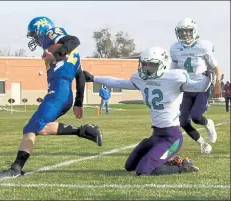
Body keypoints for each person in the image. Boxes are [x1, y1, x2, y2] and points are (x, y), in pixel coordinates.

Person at [0, 16, 102, 179]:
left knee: (30, 128)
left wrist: (58, 53)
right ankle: (83, 131)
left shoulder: (54, 34)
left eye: (35, 34)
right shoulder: (73, 56)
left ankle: (15, 169)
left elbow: (73, 40)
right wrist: (78, 103)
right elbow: (81, 77)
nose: (35, 39)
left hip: (58, 92)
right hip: (65, 94)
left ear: (41, 29)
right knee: (38, 127)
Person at [83, 47, 215, 176]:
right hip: (156, 135)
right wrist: (94, 78)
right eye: (144, 64)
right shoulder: (142, 79)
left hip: (172, 137)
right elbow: (118, 82)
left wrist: (208, 78)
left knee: (143, 170)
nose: (146, 68)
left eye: (151, 64)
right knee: (130, 166)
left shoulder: (175, 78)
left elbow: (199, 87)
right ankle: (167, 161)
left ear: (163, 64)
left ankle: (183, 167)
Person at [170, 18, 222, 154]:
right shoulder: (175, 48)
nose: (185, 34)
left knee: (196, 117)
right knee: (183, 122)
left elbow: (216, 67)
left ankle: (208, 124)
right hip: (186, 88)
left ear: (194, 30)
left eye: (187, 30)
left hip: (201, 86)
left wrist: (217, 85)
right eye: (182, 31)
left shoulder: (203, 45)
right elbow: (173, 71)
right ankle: (203, 144)